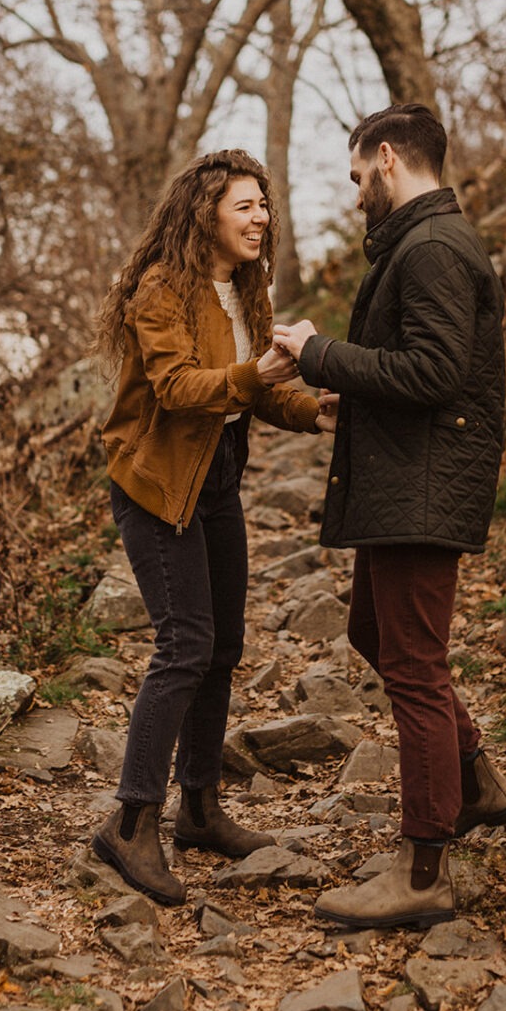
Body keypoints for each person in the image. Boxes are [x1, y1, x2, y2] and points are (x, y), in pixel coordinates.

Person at [266, 103, 506, 931]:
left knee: (413, 666)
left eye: (354, 179)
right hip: (405, 484)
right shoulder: (422, 243)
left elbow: (436, 371)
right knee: (375, 636)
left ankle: (423, 870)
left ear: (385, 159)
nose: (355, 196)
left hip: (421, 492)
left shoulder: (436, 246)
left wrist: (316, 352)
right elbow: (415, 367)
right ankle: (476, 778)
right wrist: (348, 384)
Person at [91, 149, 334, 906]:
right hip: (159, 480)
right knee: (183, 645)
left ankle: (198, 808)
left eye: (264, 204)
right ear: (207, 214)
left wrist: (311, 408)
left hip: (217, 472)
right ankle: (131, 823)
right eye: (244, 206)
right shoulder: (161, 289)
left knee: (223, 646)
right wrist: (256, 376)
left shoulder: (246, 287)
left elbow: (250, 395)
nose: (260, 217)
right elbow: (176, 386)